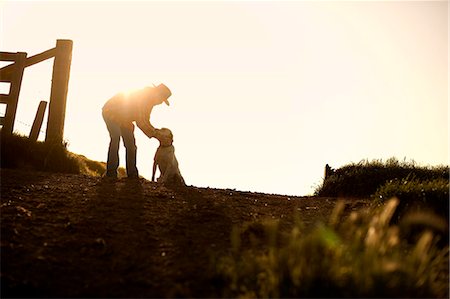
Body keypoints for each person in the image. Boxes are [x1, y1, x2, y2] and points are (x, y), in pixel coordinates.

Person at [102, 83, 172, 178]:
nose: (160, 103)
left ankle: (132, 174)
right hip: (110, 112)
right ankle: (111, 173)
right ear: (157, 93)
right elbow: (141, 123)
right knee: (115, 138)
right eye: (161, 99)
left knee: (131, 145)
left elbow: (145, 120)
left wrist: (156, 132)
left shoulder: (149, 103)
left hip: (124, 119)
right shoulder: (144, 97)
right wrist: (157, 135)